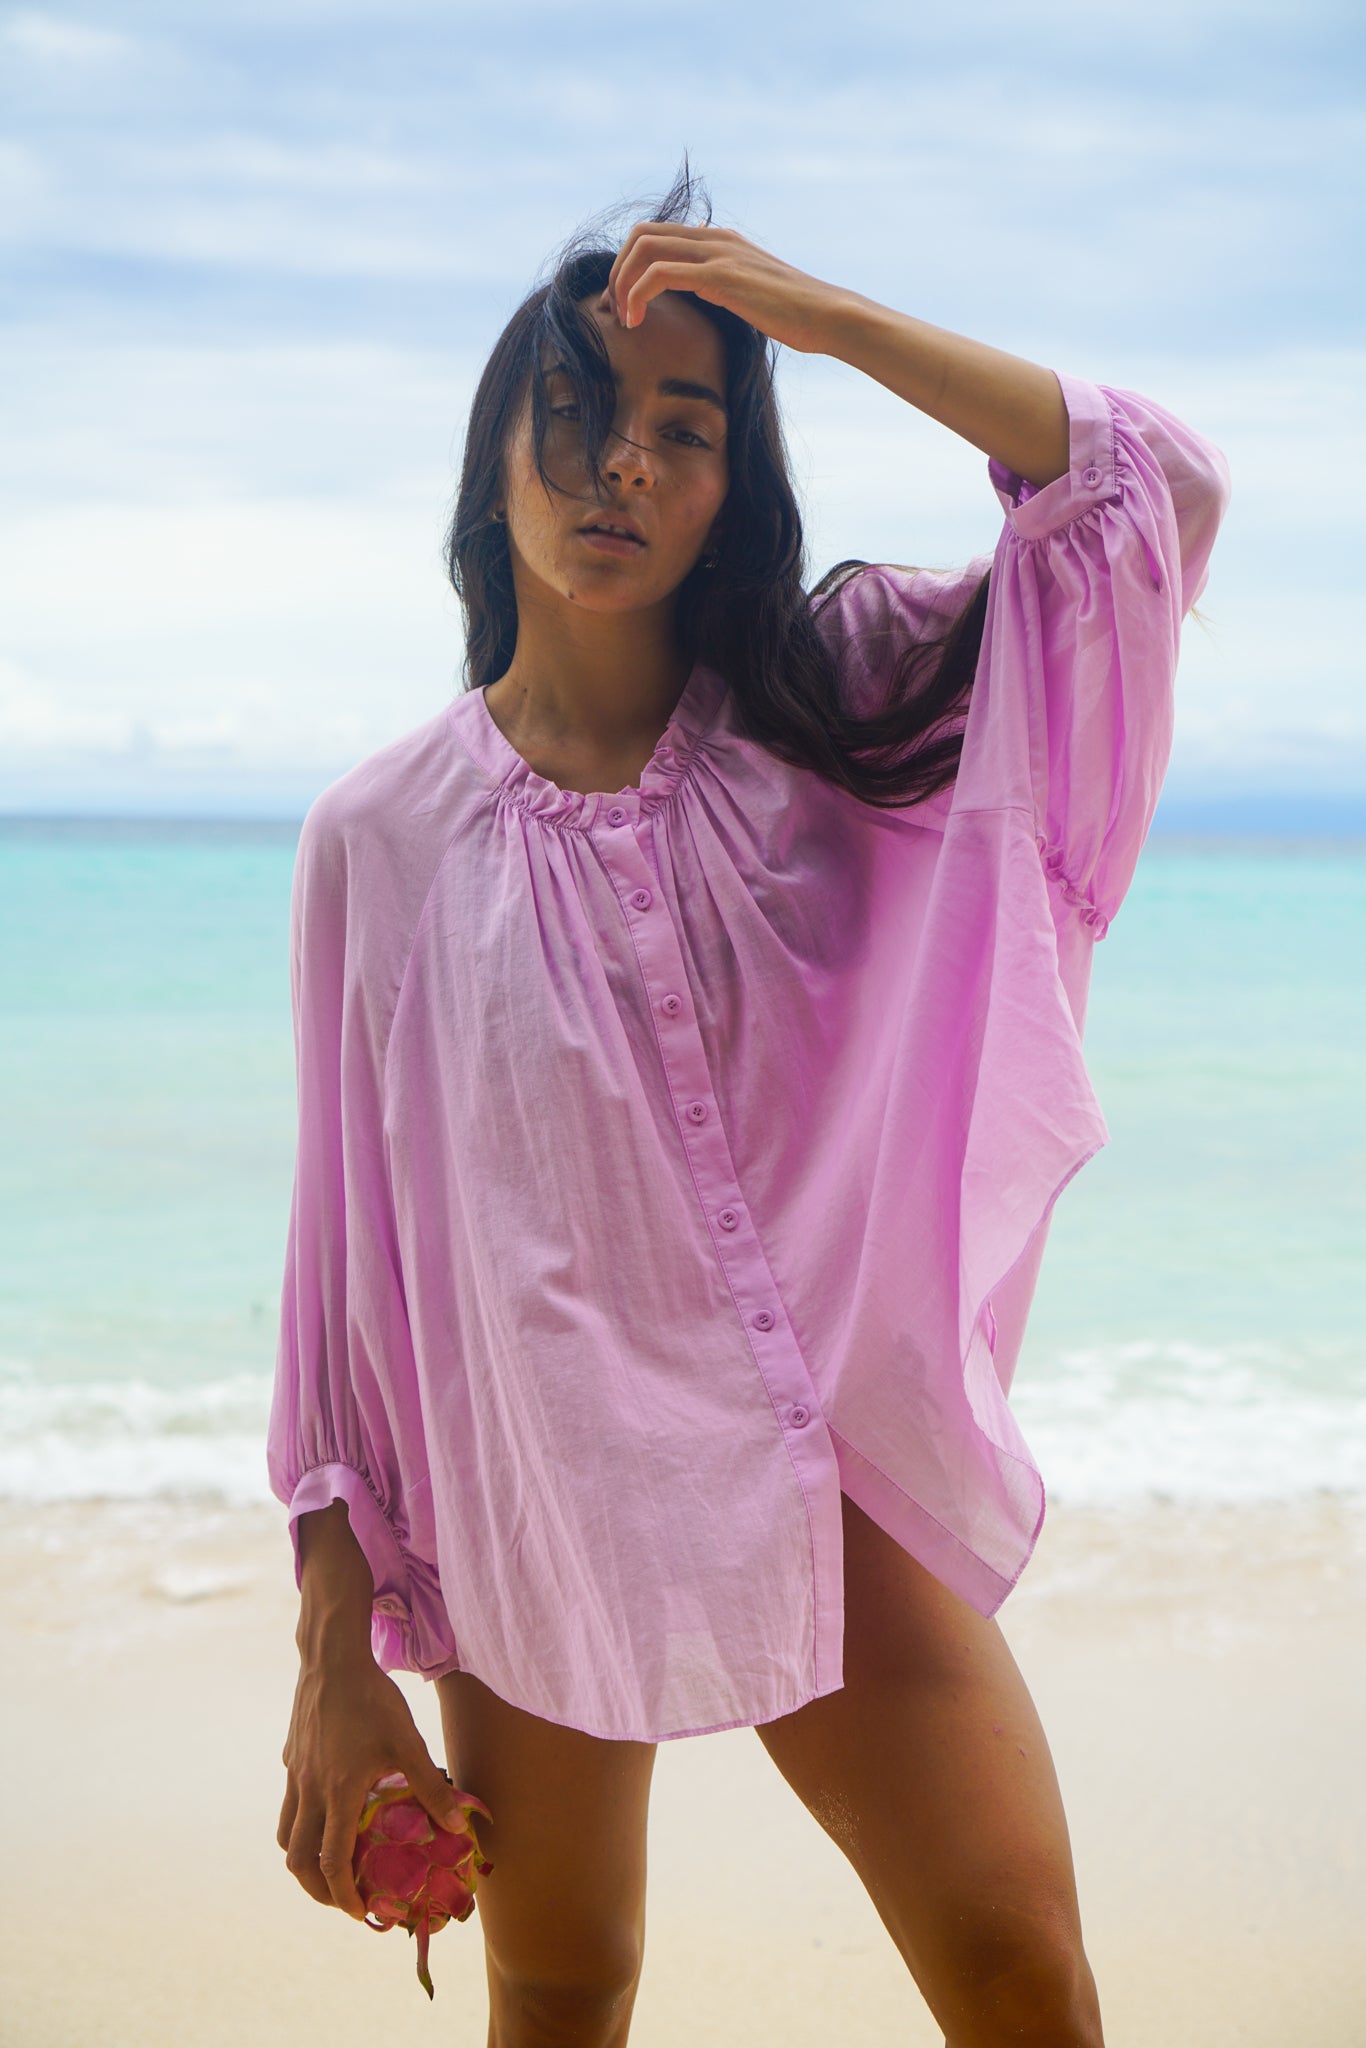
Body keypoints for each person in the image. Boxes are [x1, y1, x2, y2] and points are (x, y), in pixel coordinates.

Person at [269, 163, 1230, 2048]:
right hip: (536, 1470)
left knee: (1024, 1977)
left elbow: (1146, 498)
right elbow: (344, 1288)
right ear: (494, 462)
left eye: (680, 429)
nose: (620, 462)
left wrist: (828, 320)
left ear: (728, 490)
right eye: (577, 411)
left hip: (812, 1454)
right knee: (559, 1987)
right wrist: (332, 1658)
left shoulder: (837, 703)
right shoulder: (374, 841)